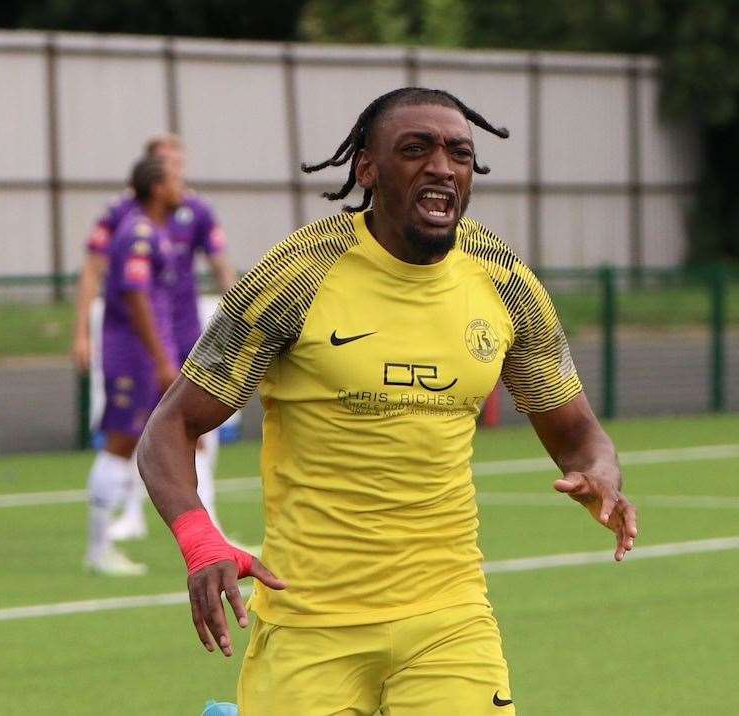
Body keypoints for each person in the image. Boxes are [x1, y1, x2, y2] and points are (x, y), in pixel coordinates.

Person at [137, 87, 638, 713]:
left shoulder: (503, 279)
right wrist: (201, 543)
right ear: (366, 169)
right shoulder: (298, 275)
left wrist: (599, 472)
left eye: (459, 152)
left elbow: (578, 432)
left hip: (450, 617)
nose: (442, 166)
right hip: (308, 623)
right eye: (415, 149)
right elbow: (171, 426)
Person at [72, 134, 237, 541]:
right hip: (138, 343)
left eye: (181, 165)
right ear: (154, 178)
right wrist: (82, 332)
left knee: (195, 427)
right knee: (128, 435)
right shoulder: (129, 222)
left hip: (180, 332)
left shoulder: (192, 211)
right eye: (171, 169)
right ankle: (117, 527)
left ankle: (207, 527)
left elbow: (220, 261)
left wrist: (238, 315)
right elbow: (117, 282)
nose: (181, 177)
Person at [83, 156, 182, 576]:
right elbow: (137, 298)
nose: (183, 188)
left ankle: (125, 530)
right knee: (120, 443)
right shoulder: (139, 233)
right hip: (132, 356)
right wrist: (161, 359)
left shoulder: (153, 231)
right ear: (157, 188)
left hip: (145, 353)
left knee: (149, 440)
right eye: (177, 180)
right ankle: (98, 549)